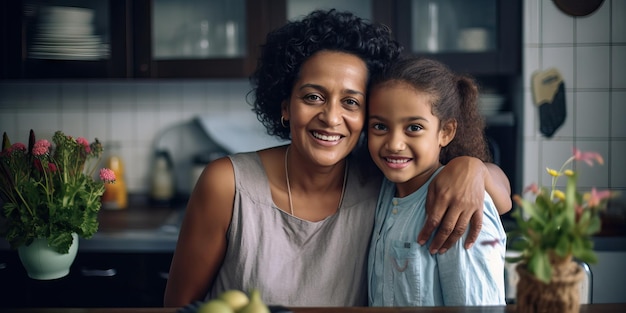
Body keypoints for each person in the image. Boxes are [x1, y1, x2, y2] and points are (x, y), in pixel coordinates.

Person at [164, 9, 511, 307]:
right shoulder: (226, 184)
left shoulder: (381, 182)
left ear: (367, 116)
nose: (331, 118)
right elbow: (178, 308)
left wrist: (473, 168)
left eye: (351, 102)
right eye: (313, 97)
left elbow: (501, 196)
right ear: (285, 106)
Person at [367, 57, 506, 306]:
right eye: (380, 126)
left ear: (446, 132)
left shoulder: (463, 205)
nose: (394, 144)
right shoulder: (384, 190)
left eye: (414, 128)